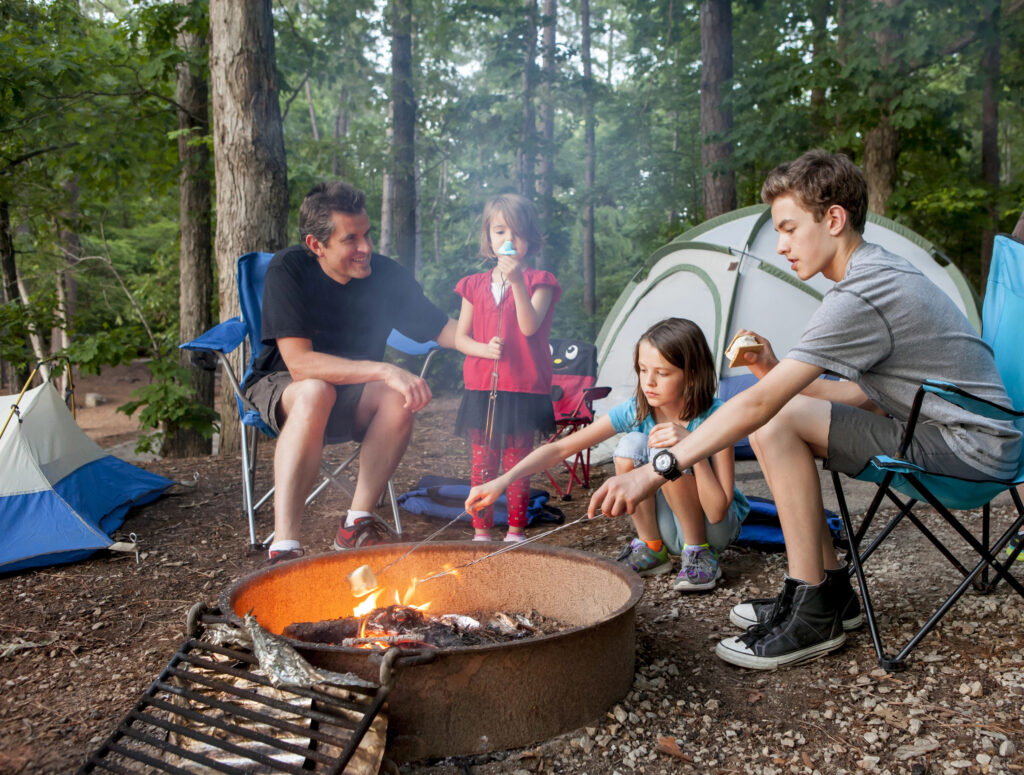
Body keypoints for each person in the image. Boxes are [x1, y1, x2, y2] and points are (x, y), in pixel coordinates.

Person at [587, 150, 1022, 669]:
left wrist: (657, 470)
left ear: (833, 219)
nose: (781, 244)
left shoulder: (864, 290)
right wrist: (772, 367)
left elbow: (768, 405)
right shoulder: (876, 273)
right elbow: (854, 398)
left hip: (968, 454)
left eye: (789, 228)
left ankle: (812, 605)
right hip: (953, 439)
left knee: (775, 419)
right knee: (783, 416)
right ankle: (829, 591)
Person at [242, 181, 457, 564]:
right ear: (316, 245)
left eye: (368, 234)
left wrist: (501, 341)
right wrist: (384, 368)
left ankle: (356, 524)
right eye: (351, 239)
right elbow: (301, 364)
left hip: (354, 396)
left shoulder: (385, 276)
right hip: (287, 390)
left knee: (397, 394)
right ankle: (285, 546)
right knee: (315, 391)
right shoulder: (289, 269)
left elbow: (446, 329)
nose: (366, 248)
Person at [466, 318, 750, 590]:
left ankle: (698, 554)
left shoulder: (717, 417)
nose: (648, 382)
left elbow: (716, 512)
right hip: (670, 525)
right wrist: (502, 481)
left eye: (662, 373)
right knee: (631, 444)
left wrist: (692, 448)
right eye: (642, 369)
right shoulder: (638, 409)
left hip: (714, 531)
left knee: (667, 448)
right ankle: (651, 549)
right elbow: (562, 448)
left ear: (691, 375)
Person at [453, 193, 561, 543]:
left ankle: (515, 531)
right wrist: (484, 350)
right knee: (483, 461)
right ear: (488, 236)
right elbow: (460, 338)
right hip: (481, 387)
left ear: (530, 239)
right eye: (500, 232)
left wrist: (516, 281)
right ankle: (481, 530)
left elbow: (529, 327)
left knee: (517, 462)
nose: (508, 241)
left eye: (517, 233)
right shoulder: (473, 285)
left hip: (524, 386)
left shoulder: (540, 281)